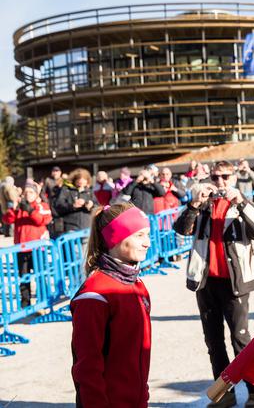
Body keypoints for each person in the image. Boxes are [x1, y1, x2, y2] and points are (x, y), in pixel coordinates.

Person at [174, 161, 254, 408]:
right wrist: (194, 204)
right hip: (206, 283)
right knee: (213, 342)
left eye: (225, 177)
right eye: (215, 178)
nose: (220, 183)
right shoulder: (203, 205)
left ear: (234, 178)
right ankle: (223, 395)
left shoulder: (242, 205)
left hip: (235, 283)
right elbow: (181, 229)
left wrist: (240, 202)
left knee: (241, 340)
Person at [70, 203, 152, 407]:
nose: (147, 243)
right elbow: (87, 367)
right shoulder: (94, 295)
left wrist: (143, 396)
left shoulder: (137, 284)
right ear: (116, 237)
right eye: (139, 235)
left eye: (147, 235)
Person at [2, 180, 51, 307]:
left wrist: (30, 210)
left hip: (37, 247)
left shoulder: (41, 205)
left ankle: (43, 301)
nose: (28, 194)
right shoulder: (20, 206)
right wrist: (13, 208)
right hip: (21, 247)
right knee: (23, 278)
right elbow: (7, 220)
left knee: (40, 275)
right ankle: (25, 303)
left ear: (35, 194)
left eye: (31, 192)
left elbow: (42, 220)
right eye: (26, 192)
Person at [55, 168, 99, 234]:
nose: (81, 181)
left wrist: (91, 205)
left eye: (84, 179)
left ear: (87, 181)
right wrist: (73, 206)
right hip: (71, 227)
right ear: (74, 180)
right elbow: (58, 205)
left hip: (87, 227)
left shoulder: (90, 192)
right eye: (79, 179)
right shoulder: (66, 190)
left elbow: (97, 207)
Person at [43, 166, 65, 237]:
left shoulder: (63, 180)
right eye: (54, 171)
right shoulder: (48, 180)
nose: (55, 173)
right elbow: (42, 192)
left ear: (60, 172)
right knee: (52, 223)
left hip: (61, 204)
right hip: (51, 204)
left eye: (57, 171)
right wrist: (46, 202)